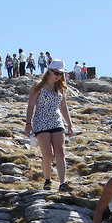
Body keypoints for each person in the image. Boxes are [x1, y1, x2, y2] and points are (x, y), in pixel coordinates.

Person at [24, 59, 75, 191]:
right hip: (41, 121)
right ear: (49, 71)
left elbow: (64, 107)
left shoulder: (61, 87)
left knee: (60, 151)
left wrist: (69, 124)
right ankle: (48, 180)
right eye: (56, 72)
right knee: (47, 153)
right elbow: (30, 106)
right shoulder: (38, 85)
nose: (58, 75)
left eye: (61, 73)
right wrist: (28, 123)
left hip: (57, 121)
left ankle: (63, 182)